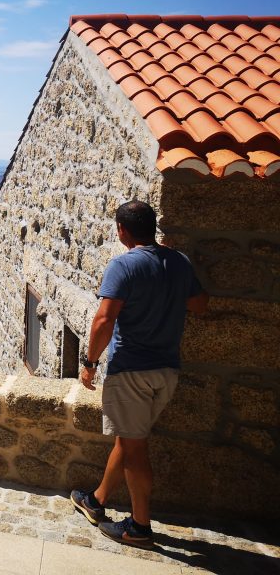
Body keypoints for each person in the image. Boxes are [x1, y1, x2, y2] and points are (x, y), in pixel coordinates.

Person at [70, 200, 208, 548]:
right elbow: (199, 304)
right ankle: (96, 501)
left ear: (122, 231)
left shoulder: (124, 265)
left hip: (131, 370)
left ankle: (140, 528)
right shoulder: (179, 262)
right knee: (128, 439)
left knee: (135, 447)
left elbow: (104, 319)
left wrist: (89, 363)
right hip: (166, 371)